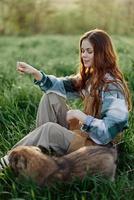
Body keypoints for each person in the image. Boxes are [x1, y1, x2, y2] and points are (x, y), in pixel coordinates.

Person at [0, 29, 131, 172]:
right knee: (51, 96)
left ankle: (9, 161)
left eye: (89, 51)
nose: (84, 55)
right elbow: (61, 85)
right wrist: (36, 73)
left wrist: (80, 116)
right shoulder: (91, 77)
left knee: (48, 129)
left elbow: (108, 132)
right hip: (85, 134)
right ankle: (40, 150)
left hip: (97, 149)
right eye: (82, 51)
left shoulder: (112, 87)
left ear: (102, 53)